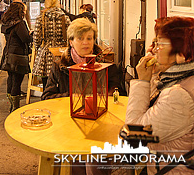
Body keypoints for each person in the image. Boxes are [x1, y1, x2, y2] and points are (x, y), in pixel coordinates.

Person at [128, 16, 194, 162]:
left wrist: (142, 81)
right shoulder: (176, 78)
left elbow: (132, 136)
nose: (153, 49)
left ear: (182, 52)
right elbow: (151, 110)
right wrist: (153, 75)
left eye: (160, 43)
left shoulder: (179, 96)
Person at [39, 18, 113, 100]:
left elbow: (117, 95)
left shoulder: (107, 66)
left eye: (89, 38)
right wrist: (71, 96)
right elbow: (46, 97)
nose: (85, 43)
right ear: (71, 42)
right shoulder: (59, 67)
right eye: (80, 38)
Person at [0, 0, 33, 110]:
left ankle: (11, 104)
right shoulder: (19, 23)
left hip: (8, 54)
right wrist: (31, 35)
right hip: (18, 55)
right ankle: (15, 107)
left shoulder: (6, 22)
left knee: (11, 78)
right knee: (17, 82)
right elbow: (25, 38)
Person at [33, 0, 72, 88]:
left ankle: (47, 97)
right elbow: (71, 35)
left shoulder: (41, 18)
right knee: (62, 79)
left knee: (46, 81)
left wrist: (39, 48)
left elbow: (36, 37)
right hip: (61, 52)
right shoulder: (65, 18)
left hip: (46, 52)